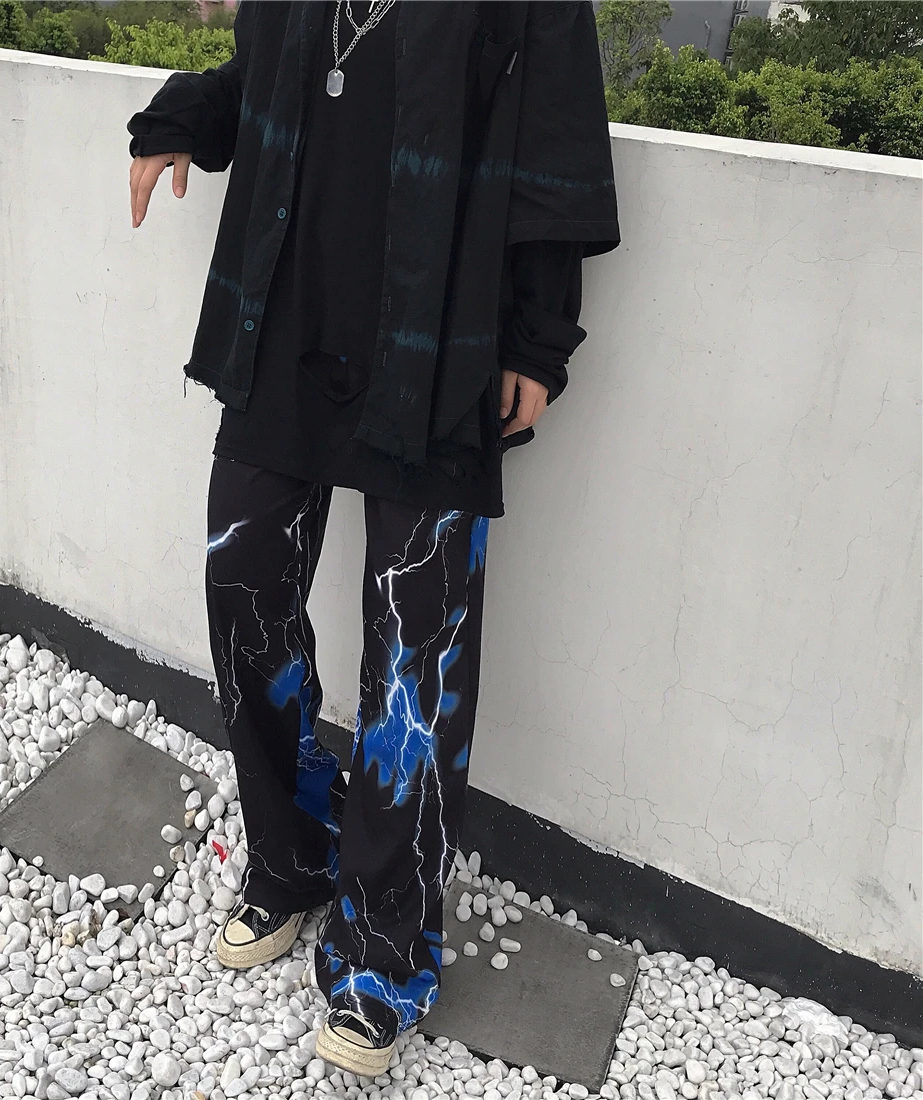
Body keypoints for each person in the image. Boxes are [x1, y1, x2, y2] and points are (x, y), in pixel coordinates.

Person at [127, 0, 619, 1077]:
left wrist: (538, 337)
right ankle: (294, 849)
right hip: (286, 311)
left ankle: (384, 949)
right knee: (243, 581)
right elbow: (265, 73)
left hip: (438, 336)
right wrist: (183, 116)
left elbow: (557, 135)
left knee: (414, 658)